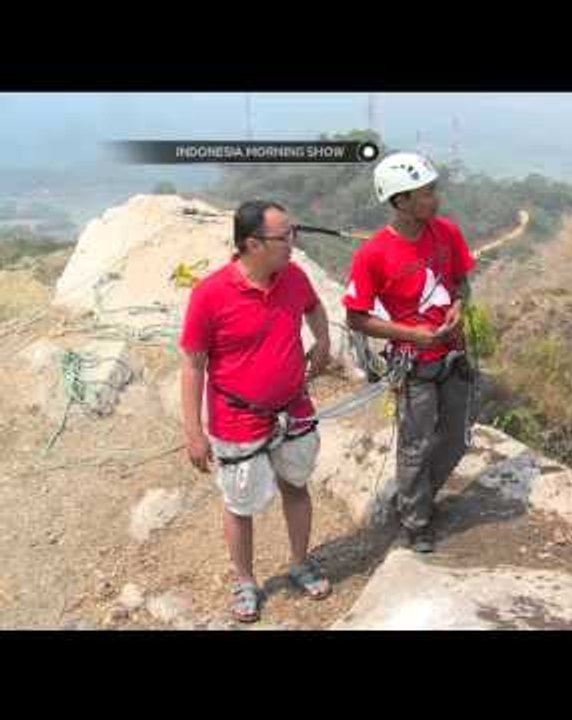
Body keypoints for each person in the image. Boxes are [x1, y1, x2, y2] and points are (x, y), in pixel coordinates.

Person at [180, 200, 332, 623]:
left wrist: (323, 341)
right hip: (237, 418)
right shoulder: (210, 294)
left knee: (296, 484)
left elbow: (314, 306)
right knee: (241, 502)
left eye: (293, 233)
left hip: (293, 407)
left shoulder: (293, 277)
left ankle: (300, 562)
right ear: (252, 244)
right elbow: (193, 364)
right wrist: (194, 431)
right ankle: (245, 580)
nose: (294, 244)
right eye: (286, 237)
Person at [344, 152, 477, 553]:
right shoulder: (374, 254)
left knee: (456, 438)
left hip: (452, 355)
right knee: (415, 445)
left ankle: (419, 499)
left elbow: (461, 282)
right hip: (415, 364)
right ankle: (416, 521)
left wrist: (457, 308)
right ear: (400, 201)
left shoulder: (446, 233)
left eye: (433, 190)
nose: (435, 199)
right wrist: (411, 335)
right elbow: (356, 318)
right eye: (426, 193)